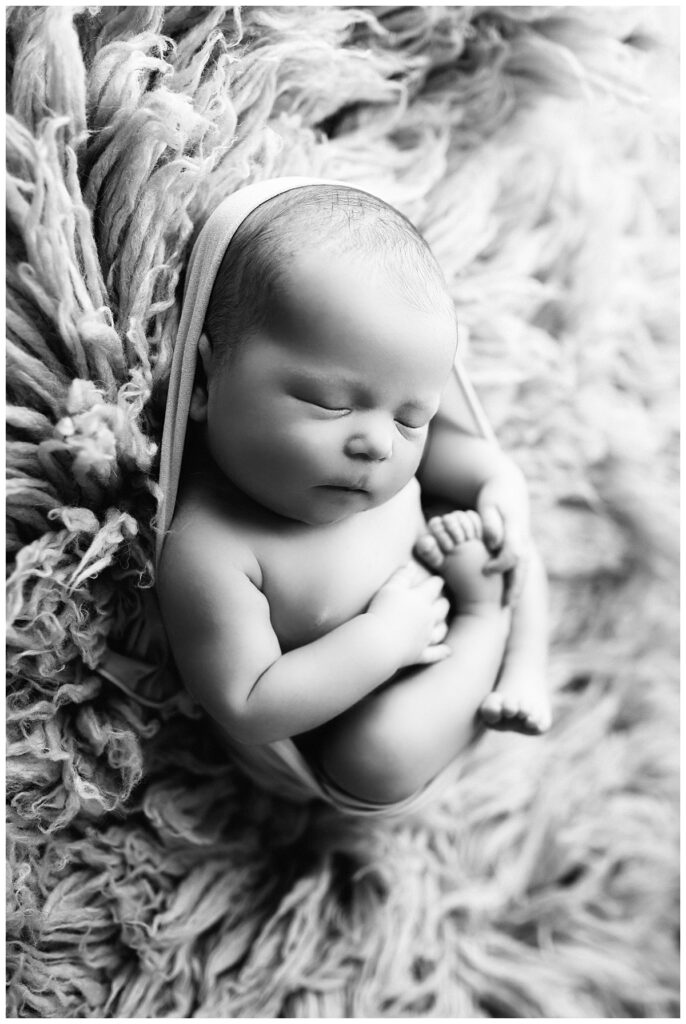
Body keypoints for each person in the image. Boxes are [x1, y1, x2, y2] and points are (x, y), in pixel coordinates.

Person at [155, 177, 550, 816]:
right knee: (373, 762)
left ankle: (523, 660)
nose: (378, 445)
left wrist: (500, 482)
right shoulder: (213, 549)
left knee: (504, 535)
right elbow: (248, 705)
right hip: (376, 703)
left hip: (434, 593)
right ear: (203, 381)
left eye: (411, 419)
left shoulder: (384, 456)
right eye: (329, 403)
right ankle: (488, 627)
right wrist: (381, 640)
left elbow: (462, 461)